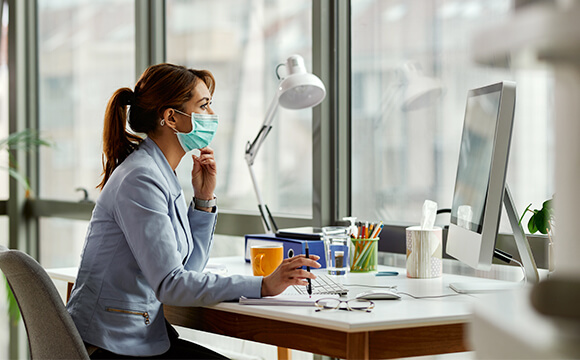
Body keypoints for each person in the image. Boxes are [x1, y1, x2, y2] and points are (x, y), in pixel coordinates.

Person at [66, 63, 320, 359]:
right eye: (204, 105)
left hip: (136, 338)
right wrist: (263, 285)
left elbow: (188, 271)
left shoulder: (158, 172)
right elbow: (172, 285)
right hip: (112, 347)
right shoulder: (141, 179)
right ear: (171, 118)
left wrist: (203, 199)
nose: (212, 116)